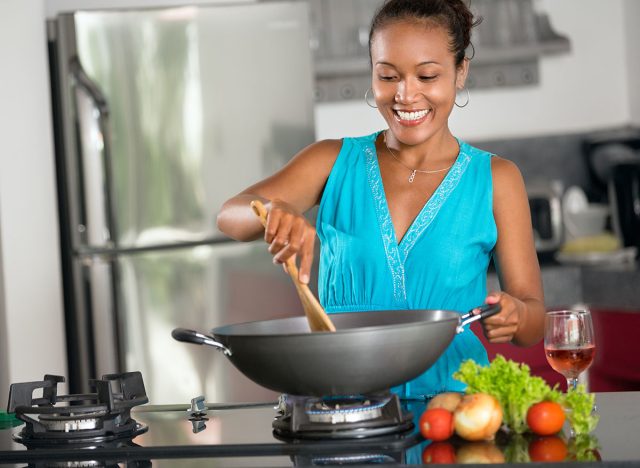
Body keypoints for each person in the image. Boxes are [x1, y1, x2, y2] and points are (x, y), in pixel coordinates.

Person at [217, 0, 545, 399]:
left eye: (427, 76)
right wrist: (271, 210)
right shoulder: (332, 161)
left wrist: (517, 316)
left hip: (455, 415)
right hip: (341, 412)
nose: (406, 95)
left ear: (460, 73)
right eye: (388, 76)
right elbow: (229, 216)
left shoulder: (497, 179)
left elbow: (534, 323)